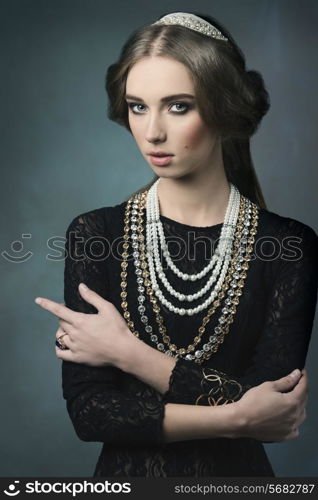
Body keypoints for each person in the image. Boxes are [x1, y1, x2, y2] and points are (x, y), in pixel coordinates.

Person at [35, 11, 318, 477]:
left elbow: (275, 403)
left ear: (224, 107)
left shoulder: (287, 245)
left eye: (179, 105)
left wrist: (129, 354)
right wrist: (237, 417)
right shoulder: (96, 235)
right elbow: (91, 414)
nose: (152, 132)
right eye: (138, 106)